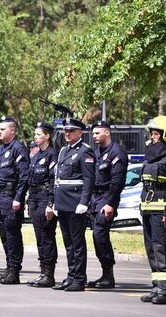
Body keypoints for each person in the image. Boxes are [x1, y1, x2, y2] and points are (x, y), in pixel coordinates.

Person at [53, 117, 95, 292]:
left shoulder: (86, 151)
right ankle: (71, 276)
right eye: (66, 131)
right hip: (63, 202)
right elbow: (59, 178)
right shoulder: (63, 151)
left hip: (75, 202)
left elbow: (89, 179)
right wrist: (55, 202)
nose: (67, 134)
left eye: (71, 131)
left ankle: (79, 278)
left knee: (77, 243)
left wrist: (84, 202)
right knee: (68, 242)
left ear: (80, 132)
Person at [88, 121, 128, 289]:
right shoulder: (97, 152)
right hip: (95, 199)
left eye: (98, 133)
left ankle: (108, 275)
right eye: (94, 133)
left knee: (100, 235)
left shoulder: (116, 152)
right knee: (97, 236)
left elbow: (117, 182)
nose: (94, 136)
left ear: (107, 132)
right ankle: (105, 274)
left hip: (106, 198)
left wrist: (110, 203)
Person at [0, 116, 30, 285]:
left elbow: (24, 177)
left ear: (12, 130)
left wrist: (18, 198)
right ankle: (8, 268)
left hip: (11, 197)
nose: (0, 132)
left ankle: (14, 271)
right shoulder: (0, 149)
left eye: (3, 129)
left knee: (12, 234)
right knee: (4, 234)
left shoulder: (18, 149)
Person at [27, 122, 59, 288]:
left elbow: (54, 181)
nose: (36, 137)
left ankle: (49, 274)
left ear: (47, 136)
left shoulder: (52, 155)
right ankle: (42, 272)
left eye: (39, 134)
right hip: (34, 198)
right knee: (39, 237)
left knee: (47, 237)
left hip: (45, 198)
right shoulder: (37, 155)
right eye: (35, 134)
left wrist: (50, 203)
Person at [139, 116, 166, 305]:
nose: (153, 137)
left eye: (156, 133)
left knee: (160, 248)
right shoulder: (149, 155)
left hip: (161, 210)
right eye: (152, 133)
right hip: (148, 209)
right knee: (151, 249)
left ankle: (164, 290)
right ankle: (156, 287)